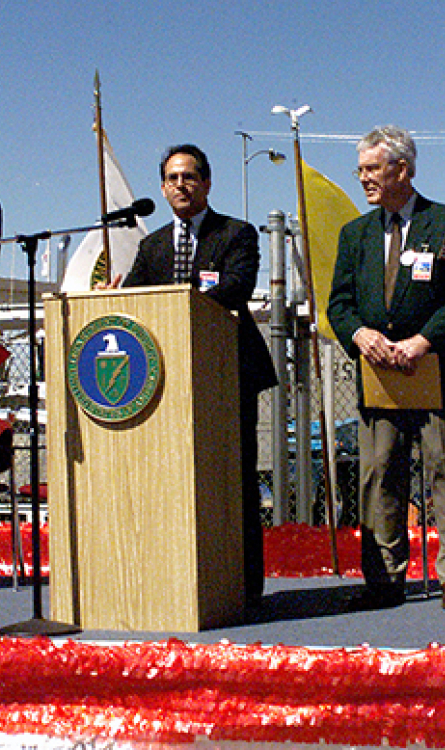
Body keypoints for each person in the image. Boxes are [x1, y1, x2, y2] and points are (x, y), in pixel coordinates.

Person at [327, 125, 445, 612]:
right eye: (360, 170)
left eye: (372, 169)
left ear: (402, 169)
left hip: (440, 374)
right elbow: (339, 303)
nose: (364, 179)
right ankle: (383, 578)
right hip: (379, 378)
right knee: (379, 474)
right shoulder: (354, 234)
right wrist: (359, 334)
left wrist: (423, 340)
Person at [112, 144, 277, 605]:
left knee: (232, 482)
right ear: (162, 187)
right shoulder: (153, 245)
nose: (180, 185)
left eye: (189, 177)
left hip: (227, 377)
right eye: (171, 178)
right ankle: (179, 584)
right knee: (173, 483)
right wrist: (115, 297)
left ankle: (244, 587)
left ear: (206, 183)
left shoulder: (236, 234)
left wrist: (177, 302)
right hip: (167, 387)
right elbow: (139, 302)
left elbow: (236, 288)